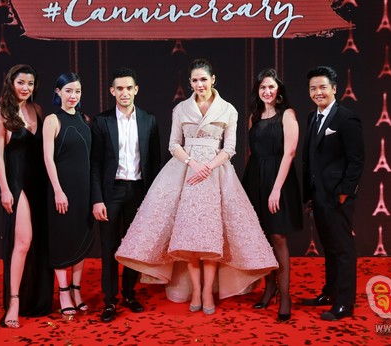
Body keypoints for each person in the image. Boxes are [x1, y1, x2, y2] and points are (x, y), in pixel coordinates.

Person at [116, 58, 278, 316]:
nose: (199, 84)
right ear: (189, 82)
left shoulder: (228, 109)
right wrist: (193, 163)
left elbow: (230, 148)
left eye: (204, 79)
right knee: (189, 239)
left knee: (210, 239)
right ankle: (195, 291)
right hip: (185, 173)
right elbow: (173, 145)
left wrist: (209, 167)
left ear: (213, 79)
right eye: (195, 80)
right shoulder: (181, 109)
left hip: (216, 175)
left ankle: (207, 293)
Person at [90, 67, 162, 323]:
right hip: (111, 191)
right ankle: (109, 301)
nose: (125, 93)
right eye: (119, 88)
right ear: (112, 91)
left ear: (136, 90)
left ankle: (129, 293)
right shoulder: (101, 121)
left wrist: (153, 199)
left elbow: (155, 162)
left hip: (139, 190)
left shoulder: (149, 120)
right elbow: (94, 164)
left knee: (133, 246)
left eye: (129, 88)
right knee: (109, 247)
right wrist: (97, 199)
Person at [0, 64, 54, 328]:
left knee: (40, 243)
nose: (26, 88)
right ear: (11, 83)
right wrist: (5, 189)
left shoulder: (37, 110)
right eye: (21, 83)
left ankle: (37, 298)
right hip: (18, 184)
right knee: (23, 242)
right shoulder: (0, 114)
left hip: (41, 184)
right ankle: (13, 302)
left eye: (30, 83)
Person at [301, 65, 365, 321]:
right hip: (318, 195)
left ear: (334, 89)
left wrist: (344, 193)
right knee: (329, 247)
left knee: (343, 249)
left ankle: (345, 304)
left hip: (337, 196)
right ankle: (330, 293)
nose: (318, 92)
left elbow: (357, 160)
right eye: (313, 88)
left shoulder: (346, 118)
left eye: (323, 87)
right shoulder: (312, 118)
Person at [241, 68, 303, 322]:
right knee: (261, 237)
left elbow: (290, 153)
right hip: (254, 177)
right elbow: (250, 153)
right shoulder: (253, 117)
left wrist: (276, 188)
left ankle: (285, 296)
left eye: (271, 87)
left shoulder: (287, 114)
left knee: (278, 236)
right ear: (258, 91)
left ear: (279, 91)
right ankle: (269, 288)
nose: (267, 91)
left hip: (279, 178)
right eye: (262, 87)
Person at [43, 72, 94, 318]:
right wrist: (57, 190)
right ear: (58, 92)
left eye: (77, 91)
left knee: (81, 240)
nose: (73, 96)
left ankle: (76, 289)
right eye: (68, 91)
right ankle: (63, 292)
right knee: (63, 240)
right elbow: (48, 158)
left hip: (84, 191)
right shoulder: (52, 120)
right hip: (61, 191)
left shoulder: (85, 119)